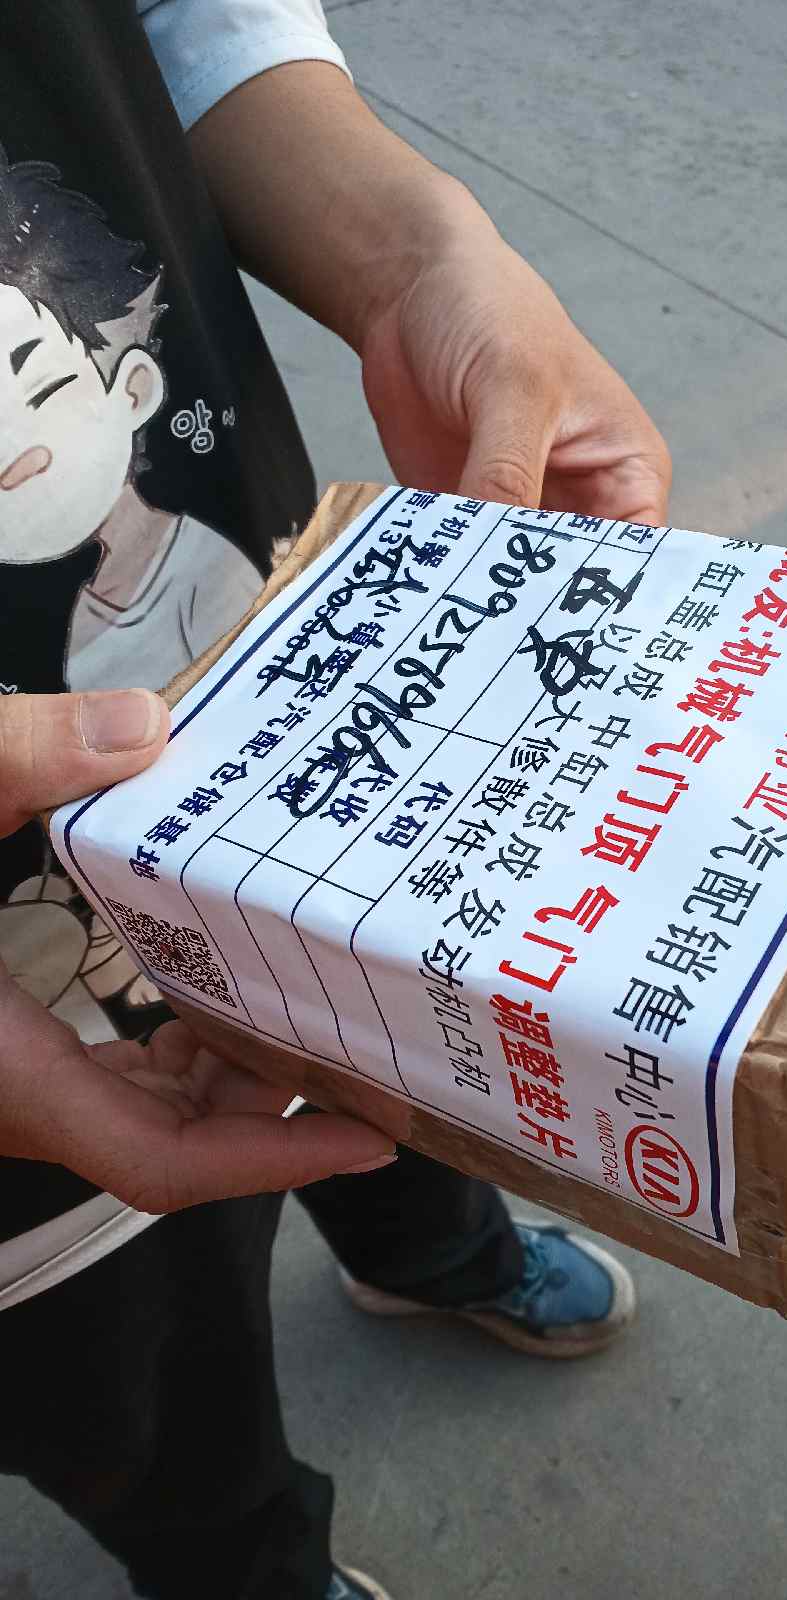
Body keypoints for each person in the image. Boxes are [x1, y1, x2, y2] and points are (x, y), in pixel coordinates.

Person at [0, 3, 671, 1597]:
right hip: (32, 1018)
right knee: (140, 1390)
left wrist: (419, 246)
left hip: (321, 759)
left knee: (410, 1080)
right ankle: (251, 1566)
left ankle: (436, 1250)